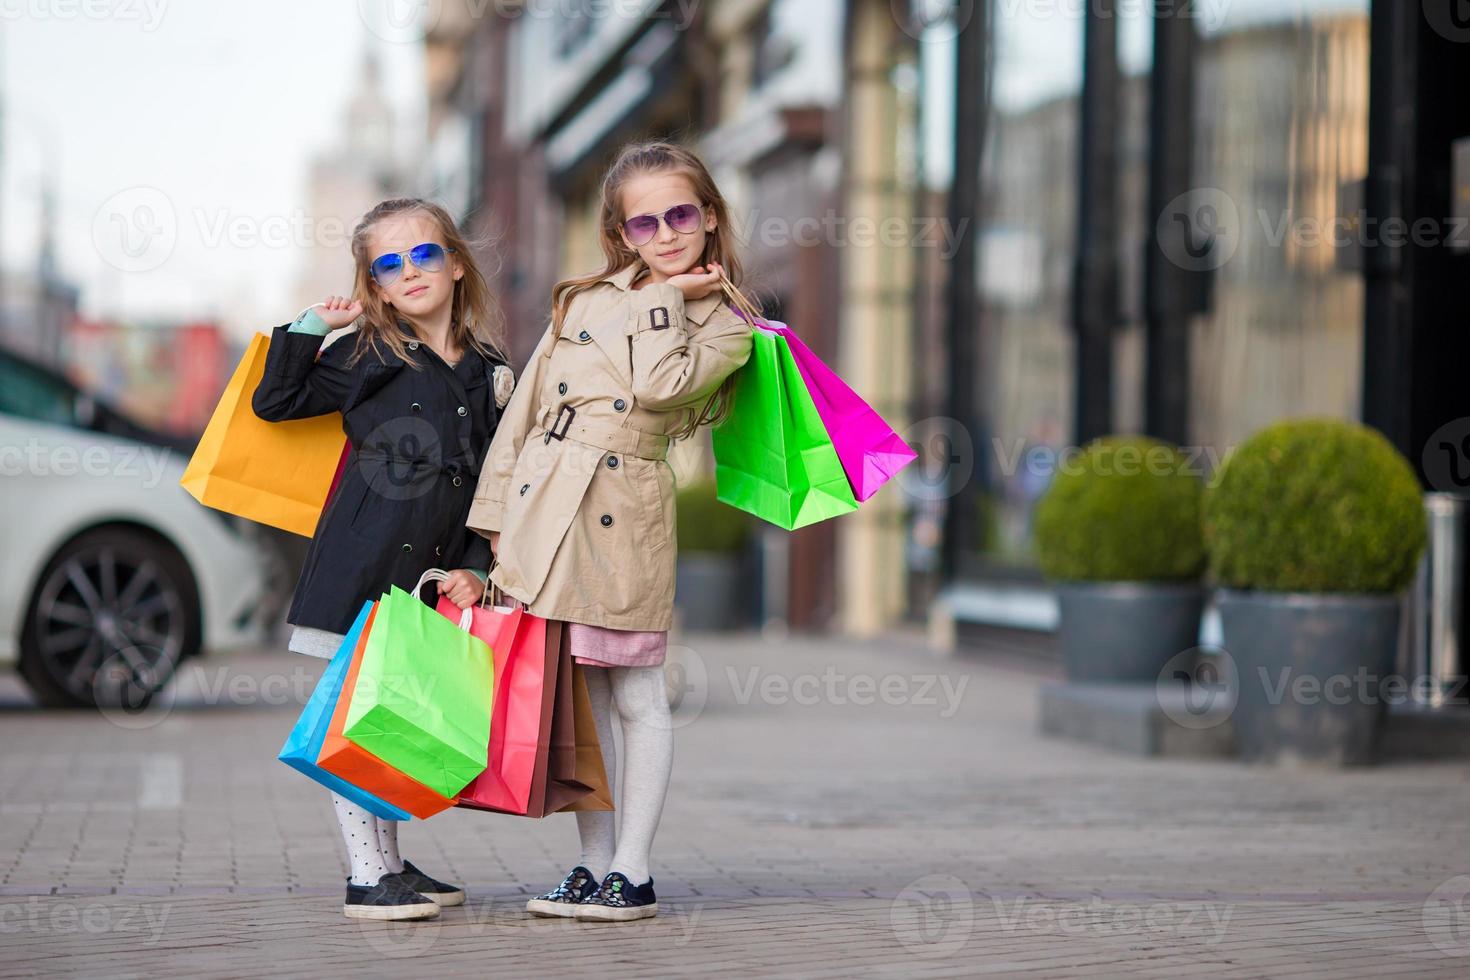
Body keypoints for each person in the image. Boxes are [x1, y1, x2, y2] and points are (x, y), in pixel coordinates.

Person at [466, 141, 755, 922]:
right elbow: (523, 412)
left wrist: (665, 298)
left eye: (681, 215)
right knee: (579, 703)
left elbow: (662, 389)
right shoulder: (582, 300)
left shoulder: (728, 324)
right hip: (541, 507)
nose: (664, 234)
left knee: (635, 692)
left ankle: (635, 870)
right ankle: (592, 865)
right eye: (643, 223)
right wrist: (494, 517)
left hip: (624, 512)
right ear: (620, 233)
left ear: (711, 217)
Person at [252, 197, 514, 921]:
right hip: (360, 563)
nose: (410, 271)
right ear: (374, 284)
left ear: (456, 264)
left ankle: (392, 864)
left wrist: (477, 565)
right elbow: (275, 401)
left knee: (389, 716)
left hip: (429, 574)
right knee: (350, 721)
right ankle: (367, 875)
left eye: (424, 254)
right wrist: (312, 327)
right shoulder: (367, 352)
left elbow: (495, 481)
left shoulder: (490, 370)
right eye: (388, 264)